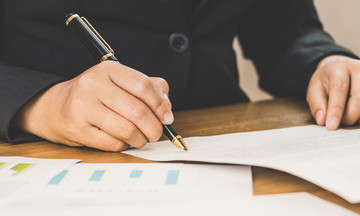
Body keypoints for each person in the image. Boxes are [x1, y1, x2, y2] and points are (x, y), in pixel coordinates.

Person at [1, 0, 359, 152]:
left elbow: (285, 29)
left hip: (227, 142)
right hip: (52, 153)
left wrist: (324, 61)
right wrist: (40, 103)